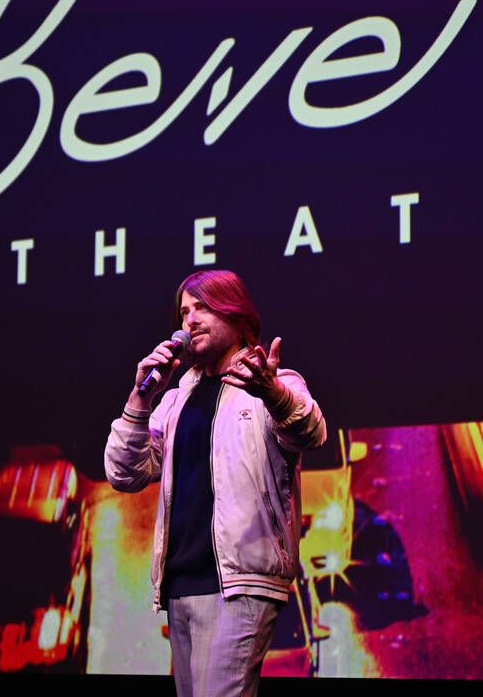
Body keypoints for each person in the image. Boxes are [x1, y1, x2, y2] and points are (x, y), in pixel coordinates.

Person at [105, 270, 326, 696]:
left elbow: (311, 432)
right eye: (184, 311)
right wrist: (139, 400)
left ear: (237, 315)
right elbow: (124, 473)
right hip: (180, 585)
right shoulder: (174, 400)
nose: (189, 319)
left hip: (239, 583)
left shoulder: (273, 386)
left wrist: (274, 394)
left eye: (202, 307)